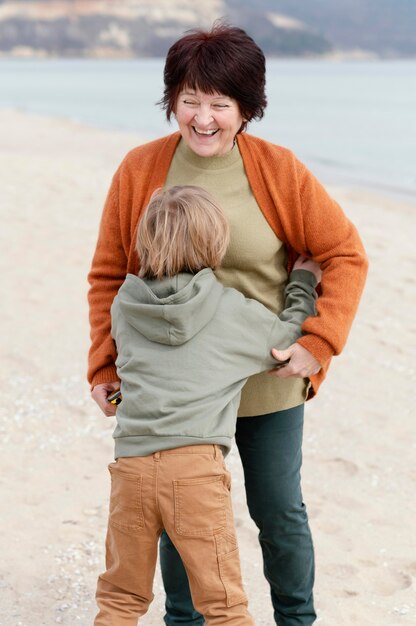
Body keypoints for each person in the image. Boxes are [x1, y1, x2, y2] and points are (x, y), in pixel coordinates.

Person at [87, 22, 368, 626]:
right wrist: (104, 366)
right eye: (191, 100)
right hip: (174, 388)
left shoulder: (277, 170)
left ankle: (297, 620)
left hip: (265, 373)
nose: (204, 117)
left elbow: (344, 253)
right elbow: (110, 277)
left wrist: (319, 342)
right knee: (175, 518)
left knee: (279, 511)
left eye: (221, 103)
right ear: (172, 101)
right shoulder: (140, 170)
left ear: (247, 108)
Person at [94, 185, 320, 626]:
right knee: (224, 605)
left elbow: (140, 365)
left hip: (131, 468)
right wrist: (302, 282)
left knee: (121, 597)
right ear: (216, 244)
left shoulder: (124, 303)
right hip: (194, 472)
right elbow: (285, 341)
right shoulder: (226, 309)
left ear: (145, 241)